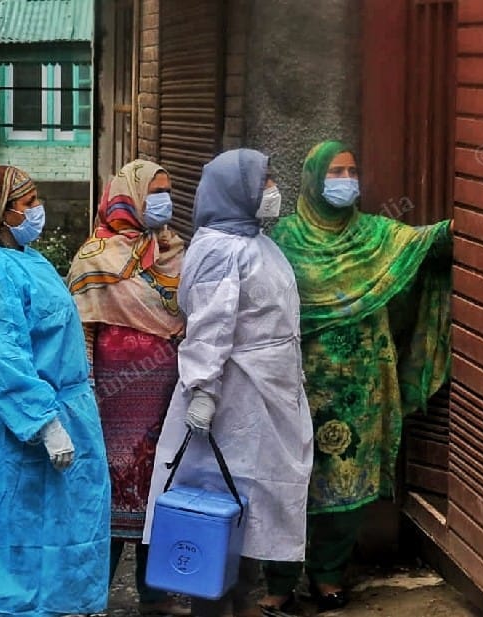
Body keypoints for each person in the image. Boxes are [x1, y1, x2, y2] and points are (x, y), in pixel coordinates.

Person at [265, 140, 453, 612]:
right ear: (311, 179)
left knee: (347, 482)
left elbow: (429, 243)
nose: (347, 180)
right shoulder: (282, 240)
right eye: (336, 171)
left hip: (361, 392)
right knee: (289, 483)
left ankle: (328, 576)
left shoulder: (375, 234)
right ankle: (280, 581)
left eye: (352, 170)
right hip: (296, 388)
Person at [143, 149, 314, 617]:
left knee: (250, 516)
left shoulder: (256, 241)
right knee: (217, 516)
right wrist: (202, 390)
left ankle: (241, 604)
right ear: (237, 190)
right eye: (266, 181)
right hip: (233, 399)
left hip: (266, 397)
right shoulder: (220, 248)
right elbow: (210, 327)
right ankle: (212, 609)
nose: (273, 191)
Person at [0, 165, 110, 617]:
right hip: (18, 429)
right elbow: (5, 356)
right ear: (0, 213)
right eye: (29, 202)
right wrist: (44, 422)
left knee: (62, 540)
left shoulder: (27, 258)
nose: (38, 210)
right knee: (17, 558)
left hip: (64, 410)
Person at [67, 160, 190, 616]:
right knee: (109, 492)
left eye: (168, 190)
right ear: (129, 197)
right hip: (113, 398)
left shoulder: (175, 250)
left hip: (167, 394)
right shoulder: (94, 255)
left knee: (160, 487)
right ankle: (88, 597)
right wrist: (86, 390)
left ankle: (154, 595)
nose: (165, 200)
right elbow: (80, 330)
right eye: (156, 191)